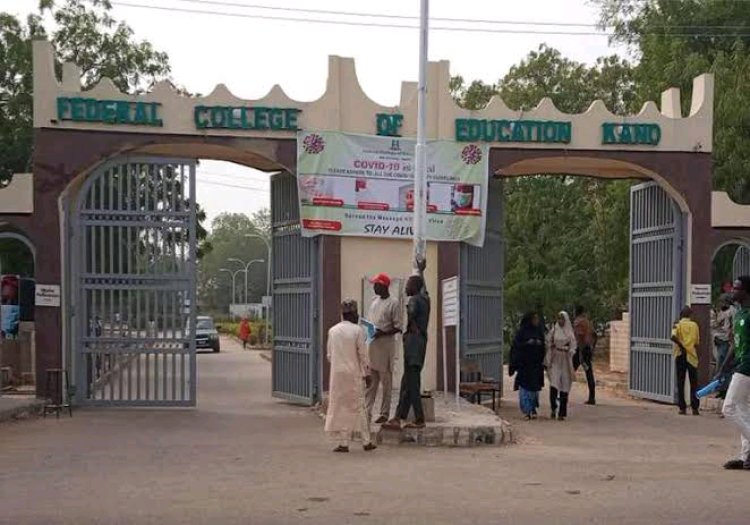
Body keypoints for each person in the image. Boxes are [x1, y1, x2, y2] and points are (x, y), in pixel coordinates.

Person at [324, 299, 376, 453]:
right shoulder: (357, 331)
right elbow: (363, 355)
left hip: (337, 375)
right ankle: (366, 442)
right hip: (353, 374)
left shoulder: (332, 331)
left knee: (340, 407)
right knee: (359, 406)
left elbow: (329, 355)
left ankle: (344, 443)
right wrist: (367, 374)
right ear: (353, 313)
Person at [385, 257, 430, 430]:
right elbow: (424, 290)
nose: (406, 287)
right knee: (408, 381)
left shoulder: (414, 301)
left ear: (414, 287)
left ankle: (419, 418)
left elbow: (411, 313)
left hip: (413, 344)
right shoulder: (425, 299)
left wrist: (410, 324)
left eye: (409, 284)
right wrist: (421, 271)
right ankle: (399, 416)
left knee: (412, 382)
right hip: (421, 344)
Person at [718, 276, 750, 470]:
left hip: (747, 367)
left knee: (728, 408)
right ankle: (746, 456)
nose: (733, 291)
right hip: (740, 365)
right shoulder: (739, 314)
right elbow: (733, 343)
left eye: (736, 289)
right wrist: (722, 369)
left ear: (746, 292)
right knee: (744, 410)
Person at [364, 273, 403, 424]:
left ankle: (384, 413)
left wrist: (383, 333)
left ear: (384, 286)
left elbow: (398, 327)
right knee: (371, 382)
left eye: (376, 284)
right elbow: (370, 320)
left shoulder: (393, 303)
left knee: (386, 383)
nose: (374, 287)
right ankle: (367, 410)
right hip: (372, 346)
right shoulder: (374, 301)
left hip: (385, 346)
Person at [509, 312, 546, 419]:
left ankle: (533, 408)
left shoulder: (538, 331)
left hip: (535, 365)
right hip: (524, 365)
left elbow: (543, 346)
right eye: (534, 319)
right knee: (525, 387)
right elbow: (516, 346)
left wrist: (538, 343)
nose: (536, 321)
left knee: (534, 389)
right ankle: (526, 410)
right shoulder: (522, 332)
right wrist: (527, 343)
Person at [546, 311, 577, 421]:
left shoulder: (569, 333)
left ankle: (562, 412)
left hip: (566, 360)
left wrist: (570, 351)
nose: (560, 321)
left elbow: (573, 346)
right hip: (555, 359)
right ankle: (553, 408)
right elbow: (548, 342)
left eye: (562, 319)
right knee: (554, 383)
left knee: (565, 385)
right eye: (559, 319)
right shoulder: (554, 331)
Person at [671, 306, 701, 416]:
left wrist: (681, 345)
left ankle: (682, 408)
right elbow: (697, 342)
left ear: (681, 315)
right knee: (694, 383)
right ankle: (695, 408)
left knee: (680, 381)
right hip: (692, 356)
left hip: (680, 355)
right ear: (690, 315)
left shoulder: (677, 325)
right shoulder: (695, 325)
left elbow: (673, 337)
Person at [573, 305, 597, 405]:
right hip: (587, 348)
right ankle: (592, 397)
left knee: (570, 370)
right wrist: (592, 347)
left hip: (581, 349)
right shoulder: (587, 322)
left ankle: (562, 393)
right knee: (588, 372)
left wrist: (581, 351)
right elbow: (595, 335)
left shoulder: (578, 322)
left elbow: (580, 336)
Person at [712, 294, 734, 375]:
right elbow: (716, 324)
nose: (720, 304)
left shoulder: (731, 311)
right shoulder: (721, 311)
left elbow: (731, 326)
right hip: (719, 339)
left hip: (725, 340)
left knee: (722, 362)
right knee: (719, 361)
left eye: (722, 302)